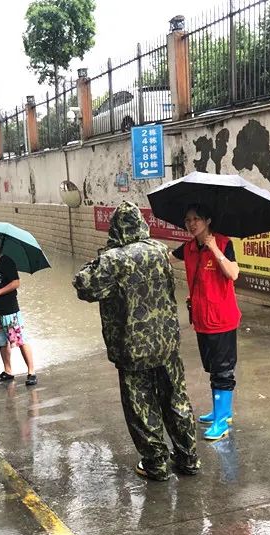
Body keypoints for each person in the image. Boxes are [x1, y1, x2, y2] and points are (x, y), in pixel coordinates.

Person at [73, 201, 200, 481]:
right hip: (166, 343)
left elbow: (84, 286)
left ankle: (156, 464)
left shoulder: (113, 260)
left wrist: (100, 258)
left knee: (141, 406)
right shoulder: (158, 251)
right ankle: (188, 458)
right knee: (176, 399)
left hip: (133, 348)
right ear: (141, 225)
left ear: (116, 228)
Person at [170, 204, 241, 441]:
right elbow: (167, 258)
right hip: (201, 319)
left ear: (208, 220)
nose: (191, 223)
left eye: (196, 218)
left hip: (222, 319)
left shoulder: (223, 243)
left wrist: (213, 249)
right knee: (212, 368)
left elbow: (232, 274)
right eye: (188, 219)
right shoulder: (189, 248)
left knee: (223, 371)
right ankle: (222, 411)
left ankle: (222, 422)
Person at [0, 233, 37, 386]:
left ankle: (31, 371)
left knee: (20, 340)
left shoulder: (7, 262)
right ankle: (8, 371)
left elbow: (16, 283)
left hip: (10, 310)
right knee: (2, 342)